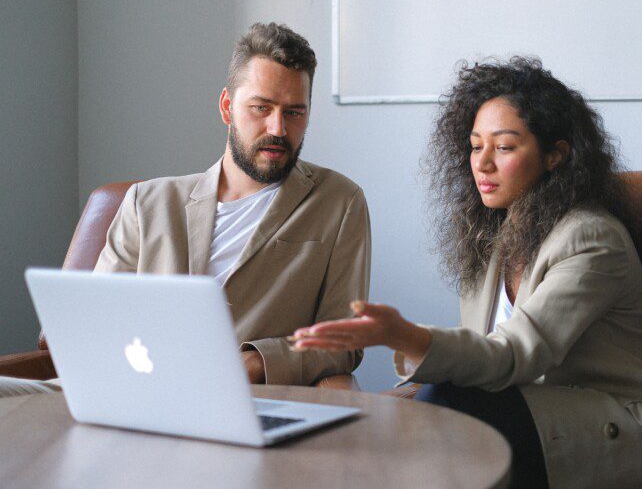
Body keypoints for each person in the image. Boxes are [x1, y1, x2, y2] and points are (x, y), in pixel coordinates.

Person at [290, 57, 642, 488]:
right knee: (408, 416)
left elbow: (513, 355)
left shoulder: (591, 239)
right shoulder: (493, 239)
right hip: (551, 412)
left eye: (505, 146)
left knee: (449, 407)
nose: (483, 163)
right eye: (476, 145)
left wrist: (402, 335)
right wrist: (382, 405)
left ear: (555, 155)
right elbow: (478, 357)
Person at [0, 22, 370, 396]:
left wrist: (258, 362)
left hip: (242, 400)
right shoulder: (148, 202)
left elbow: (346, 338)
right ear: (227, 107)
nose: (278, 127)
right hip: (128, 388)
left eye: (294, 112)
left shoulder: (338, 202)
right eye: (261, 107)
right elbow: (97, 322)